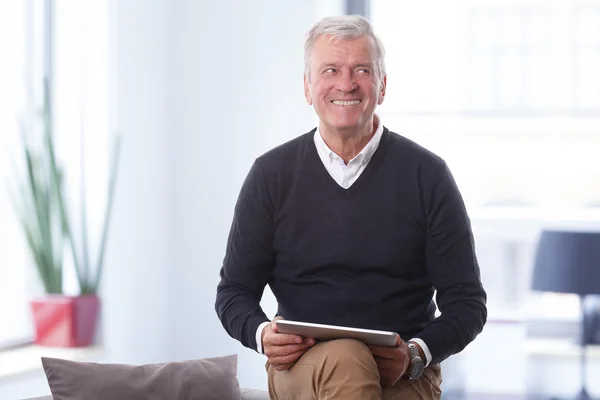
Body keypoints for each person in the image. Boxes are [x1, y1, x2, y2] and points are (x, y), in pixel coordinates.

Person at [215, 14, 487, 400]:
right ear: (308, 87)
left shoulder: (428, 175)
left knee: (355, 366)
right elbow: (234, 292)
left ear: (382, 86)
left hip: (404, 373)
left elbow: (467, 304)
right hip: (303, 366)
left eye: (362, 69)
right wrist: (262, 335)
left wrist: (415, 354)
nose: (346, 83)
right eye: (330, 70)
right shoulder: (270, 175)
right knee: (347, 358)